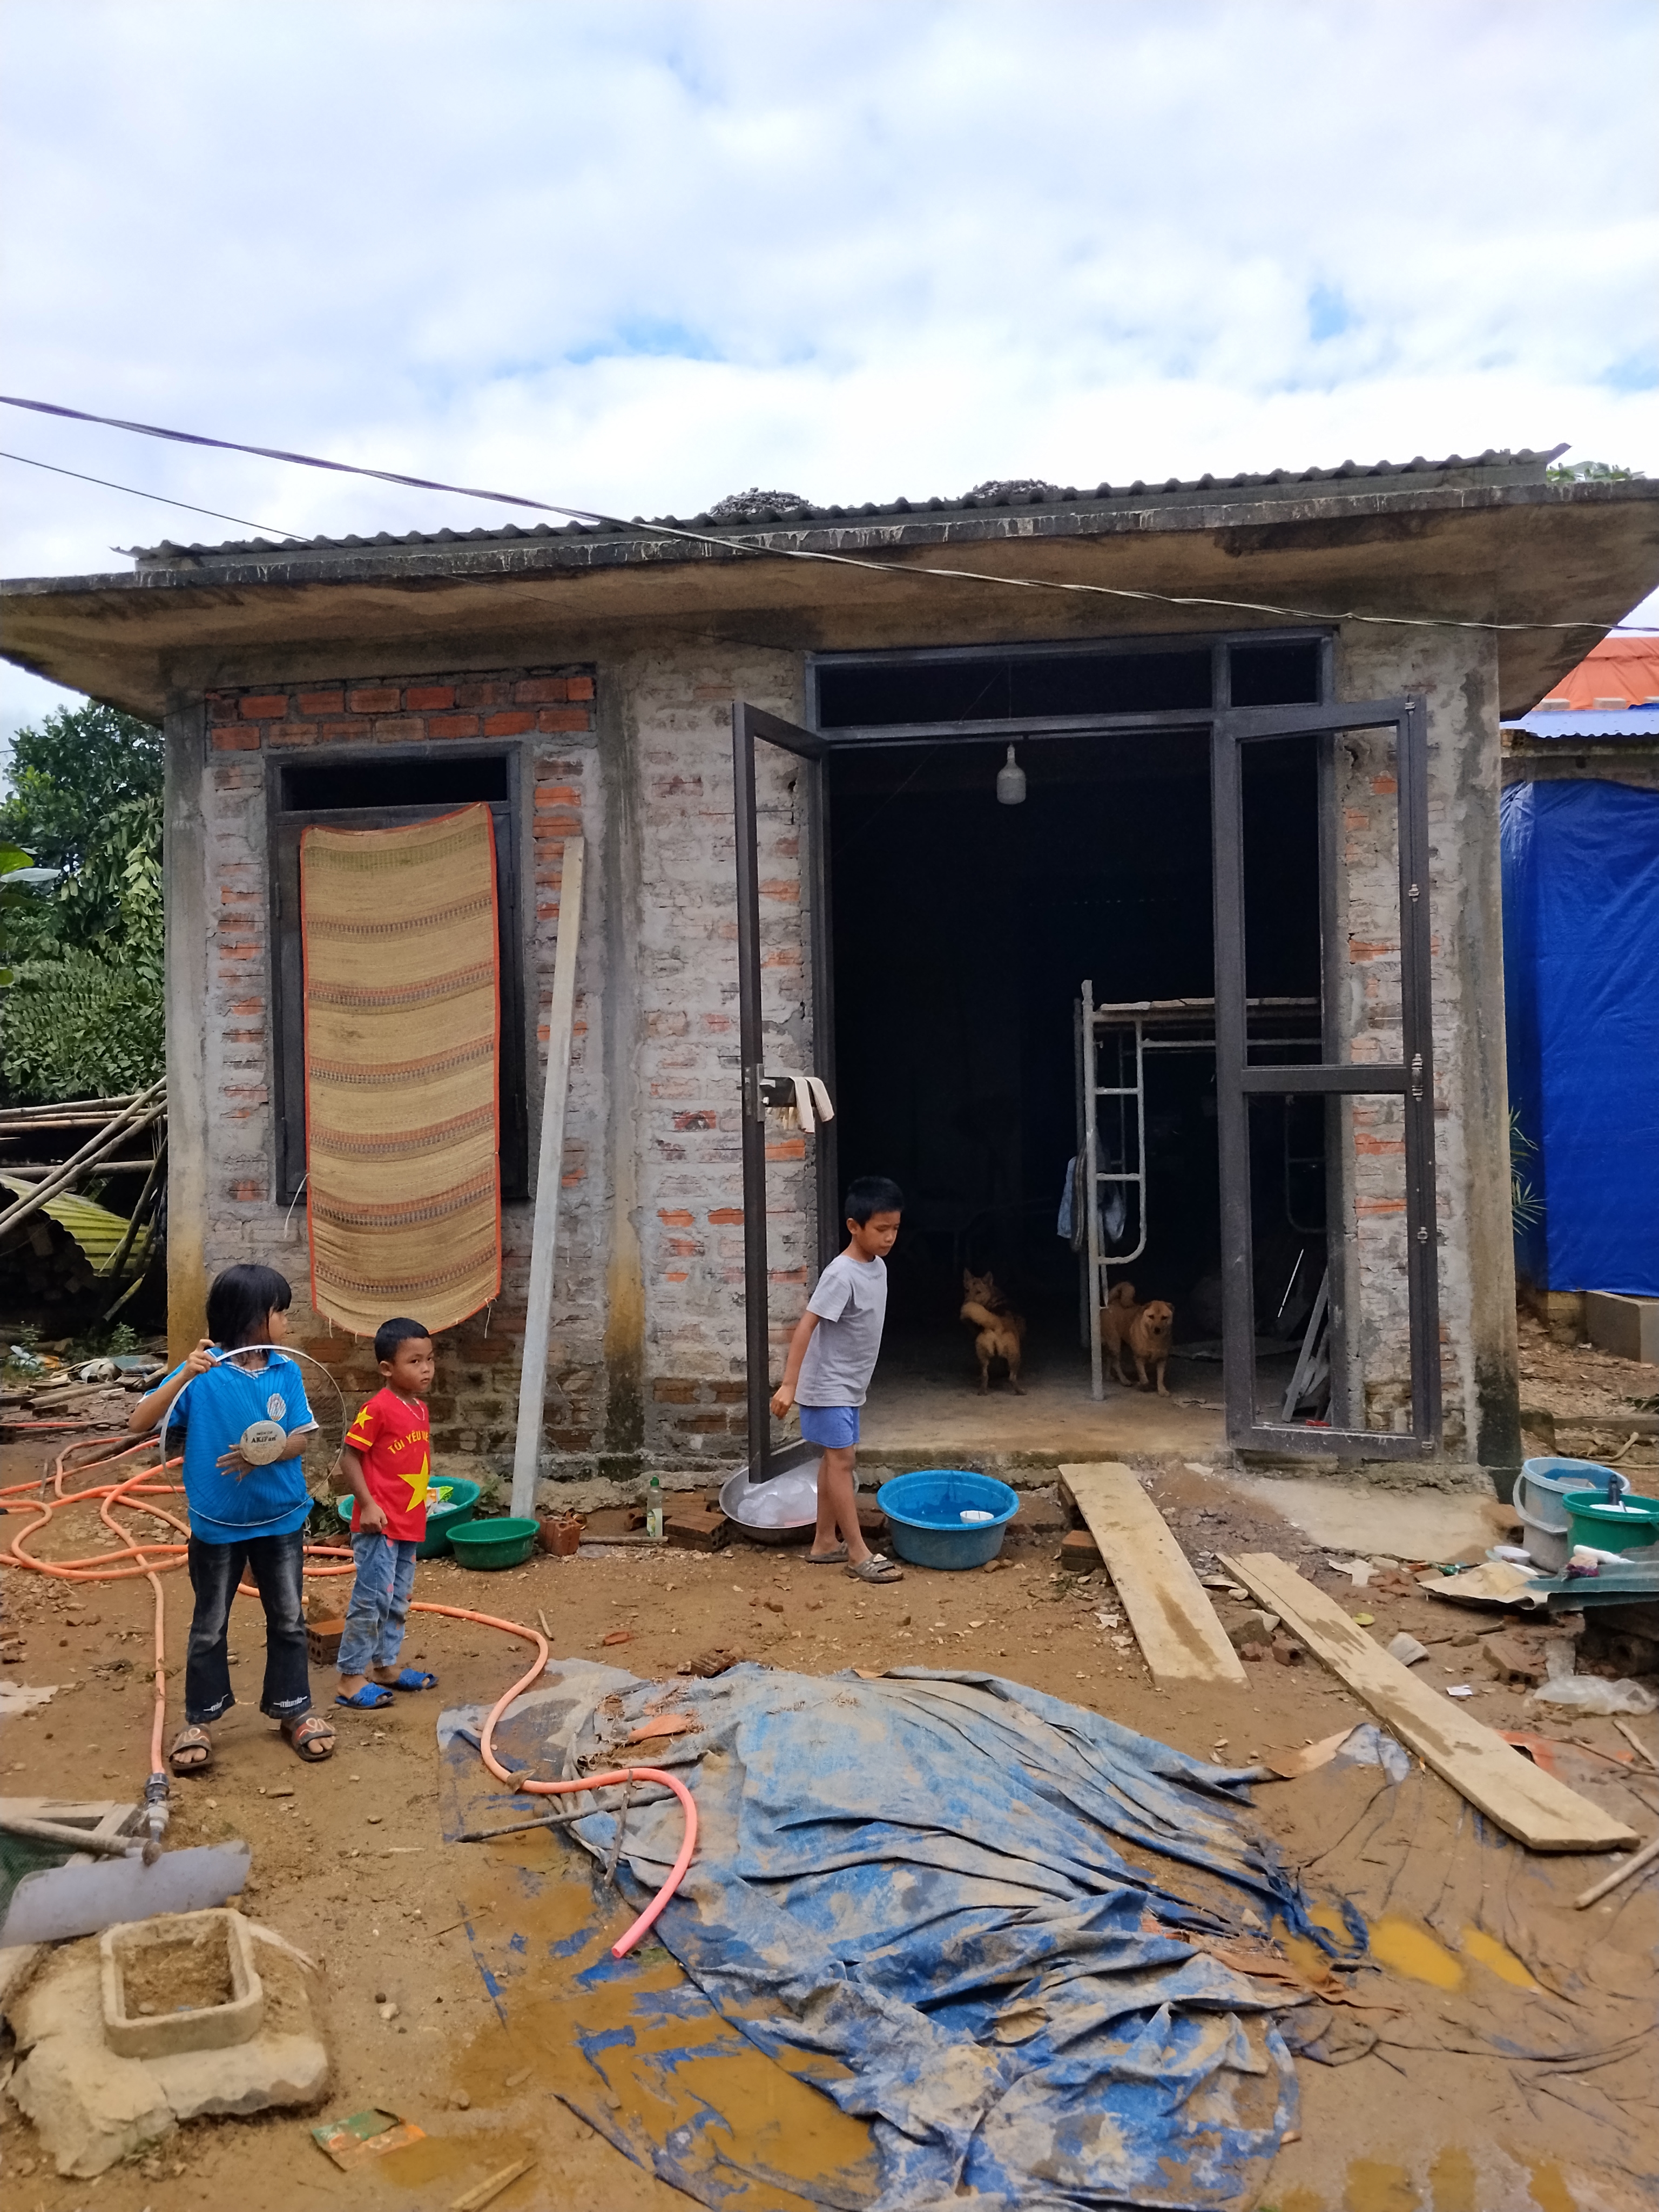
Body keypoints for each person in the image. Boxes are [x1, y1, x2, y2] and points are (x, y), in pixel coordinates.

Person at [129, 1263, 332, 1772]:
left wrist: (264, 1453)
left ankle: (293, 1710)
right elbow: (139, 1422)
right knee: (209, 1625)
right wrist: (182, 1375)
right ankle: (200, 1718)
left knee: (289, 1619)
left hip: (281, 1517)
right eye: (280, 1312)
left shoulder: (286, 1371)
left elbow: (301, 1438)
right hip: (217, 1522)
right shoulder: (204, 1375)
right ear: (250, 1316)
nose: (287, 1321)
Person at [771, 1175, 906, 1584]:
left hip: (848, 1386)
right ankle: (858, 1553)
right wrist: (789, 1385)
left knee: (834, 1460)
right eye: (881, 1229)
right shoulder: (841, 1275)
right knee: (843, 1462)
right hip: (826, 1386)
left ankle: (824, 1542)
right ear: (854, 1226)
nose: (889, 1237)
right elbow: (806, 1326)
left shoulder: (877, 1268)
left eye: (895, 1228)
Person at [333, 1317, 440, 1710]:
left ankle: (385, 1666)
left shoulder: (420, 1410)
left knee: (398, 1599)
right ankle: (350, 1676)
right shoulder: (377, 1409)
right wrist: (368, 1505)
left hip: (409, 1521)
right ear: (386, 1368)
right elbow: (349, 1457)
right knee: (372, 1599)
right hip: (380, 1526)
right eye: (415, 1361)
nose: (426, 1369)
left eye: (430, 1359)